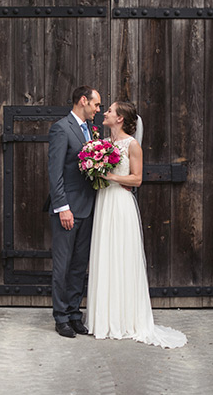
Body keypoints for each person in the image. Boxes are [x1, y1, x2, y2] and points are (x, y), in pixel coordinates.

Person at [85, 101, 187, 349]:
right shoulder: (103, 144)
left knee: (121, 257)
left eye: (109, 111)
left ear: (119, 118)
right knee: (105, 256)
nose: (105, 113)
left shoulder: (132, 144)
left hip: (120, 203)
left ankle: (126, 319)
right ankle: (104, 319)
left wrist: (109, 176)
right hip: (104, 202)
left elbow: (137, 179)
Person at [47, 86, 102, 338]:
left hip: (88, 208)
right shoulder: (61, 128)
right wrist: (63, 208)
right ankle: (60, 318)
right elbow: (55, 173)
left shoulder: (90, 130)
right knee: (63, 266)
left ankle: (74, 314)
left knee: (80, 266)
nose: (98, 110)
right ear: (83, 101)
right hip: (67, 210)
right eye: (96, 105)